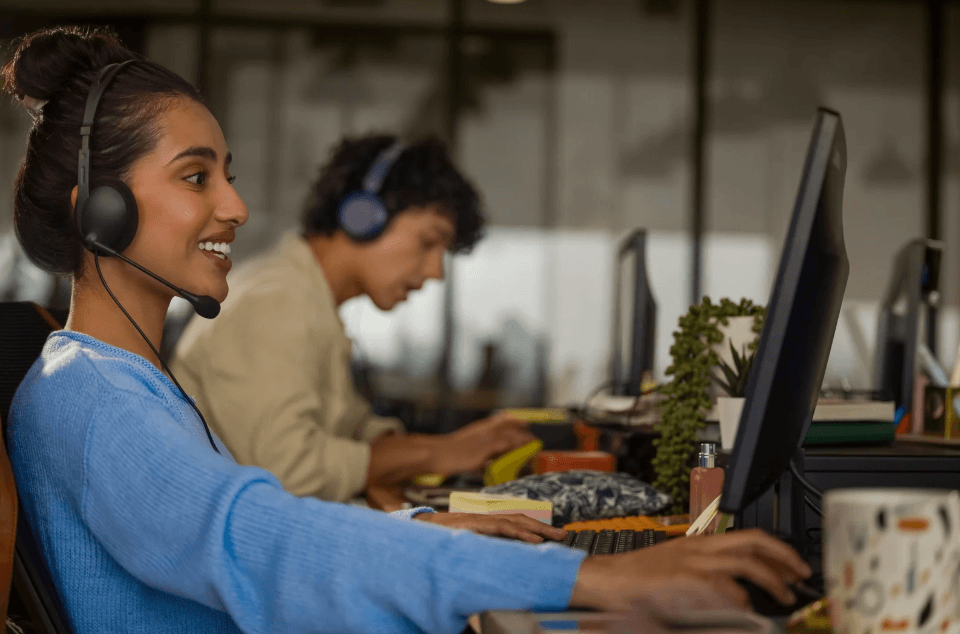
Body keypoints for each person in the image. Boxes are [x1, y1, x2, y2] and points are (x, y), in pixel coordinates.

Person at [4, 26, 811, 634]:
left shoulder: (103, 377)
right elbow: (257, 539)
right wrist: (592, 581)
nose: (236, 207)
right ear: (98, 209)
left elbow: (245, 527)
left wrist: (422, 525)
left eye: (228, 175)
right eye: (195, 176)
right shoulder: (100, 402)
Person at [168, 133, 537, 506]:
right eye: (428, 242)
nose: (436, 272)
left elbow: (351, 426)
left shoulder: (308, 299)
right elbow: (289, 471)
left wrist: (445, 446)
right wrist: (437, 454)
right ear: (363, 216)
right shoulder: (274, 303)